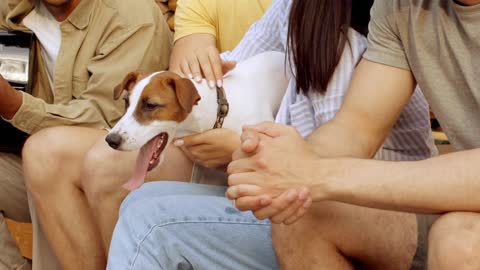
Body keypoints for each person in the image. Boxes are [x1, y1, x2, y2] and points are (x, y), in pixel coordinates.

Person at [107, 0, 440, 269]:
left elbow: (343, 152)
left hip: (365, 201)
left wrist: (242, 150)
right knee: (141, 199)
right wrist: (204, 70)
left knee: (149, 223)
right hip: (307, 185)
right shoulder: (297, 8)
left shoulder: (374, 27)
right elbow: (233, 63)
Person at [21, 0, 271, 269]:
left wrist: (236, 146)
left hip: (255, 145)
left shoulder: (302, 11)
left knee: (107, 166)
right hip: (197, 131)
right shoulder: (201, 3)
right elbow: (186, 73)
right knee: (43, 153)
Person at [0, 0, 172, 269]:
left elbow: (107, 120)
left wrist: (14, 105)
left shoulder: (132, 15)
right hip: (32, 157)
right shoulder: (12, 8)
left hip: (124, 168)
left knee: (48, 156)